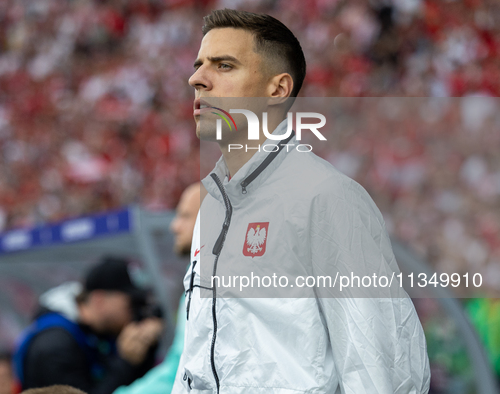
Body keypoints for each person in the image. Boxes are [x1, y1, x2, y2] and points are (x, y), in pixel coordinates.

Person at [172, 9, 430, 394]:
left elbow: (380, 371)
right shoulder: (212, 206)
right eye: (198, 66)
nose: (197, 79)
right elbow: (198, 360)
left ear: (277, 90)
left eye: (224, 65)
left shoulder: (326, 198)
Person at [13, 257, 163, 394]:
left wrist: (146, 348)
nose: (133, 312)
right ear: (99, 300)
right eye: (131, 303)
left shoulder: (95, 332)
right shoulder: (55, 346)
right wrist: (126, 362)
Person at [113, 183, 201, 394]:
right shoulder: (200, 280)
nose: (174, 226)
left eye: (184, 216)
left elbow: (183, 374)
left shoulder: (211, 286)